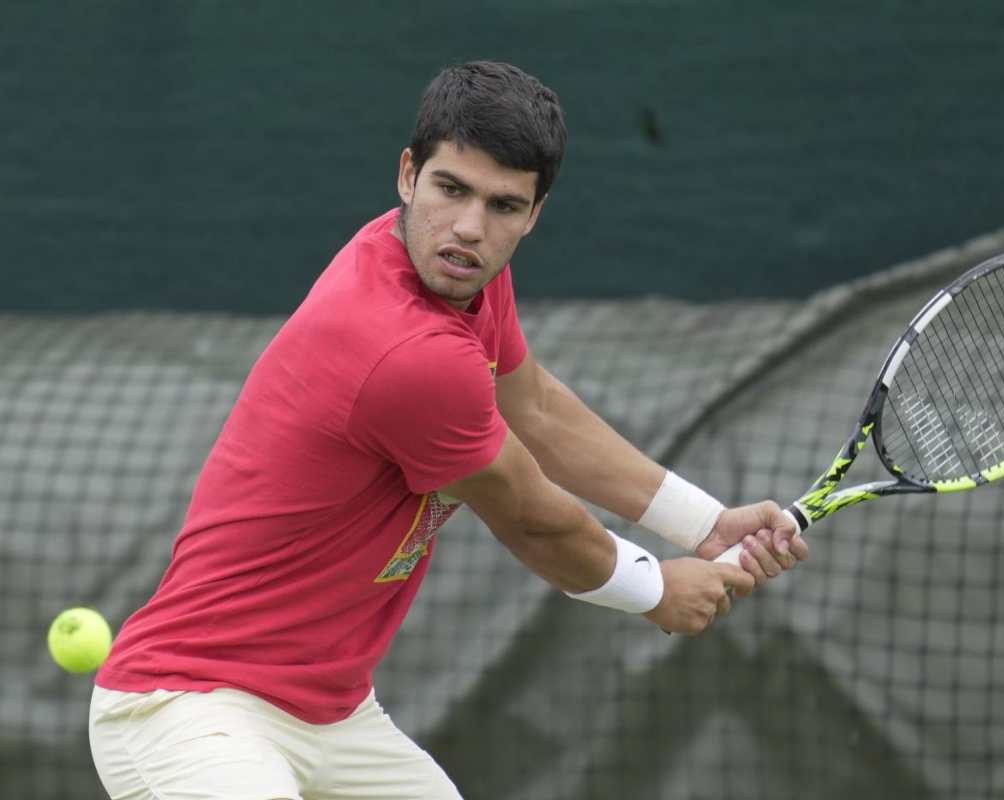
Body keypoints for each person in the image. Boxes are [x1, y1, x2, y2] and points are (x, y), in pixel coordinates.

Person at [88, 60, 809, 800]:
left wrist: (706, 524)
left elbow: (537, 410)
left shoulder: (468, 276)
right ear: (408, 174)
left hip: (331, 716)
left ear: (534, 214)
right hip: (190, 707)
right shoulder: (407, 351)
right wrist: (656, 589)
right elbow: (534, 520)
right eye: (451, 189)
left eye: (503, 205)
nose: (469, 228)